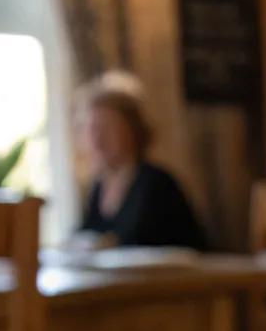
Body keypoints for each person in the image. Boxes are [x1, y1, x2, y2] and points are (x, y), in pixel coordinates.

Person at [75, 73, 206, 250]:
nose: (98, 139)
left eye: (107, 127)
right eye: (92, 129)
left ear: (133, 130)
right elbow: (84, 235)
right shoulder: (98, 187)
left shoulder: (156, 183)